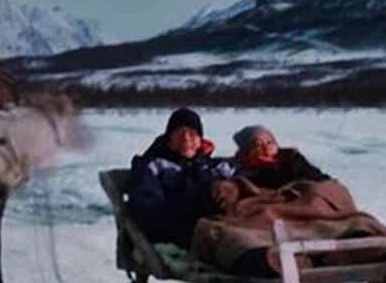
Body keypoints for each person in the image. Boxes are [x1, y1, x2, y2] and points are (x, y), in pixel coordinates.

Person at [125, 107, 234, 250]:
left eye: (192, 133)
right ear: (169, 139)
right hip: (183, 232)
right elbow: (148, 213)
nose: (186, 138)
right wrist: (195, 204)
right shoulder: (153, 166)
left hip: (229, 224)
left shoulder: (217, 166)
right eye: (179, 132)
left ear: (200, 140)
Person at [230, 125, 329, 188]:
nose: (266, 147)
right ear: (248, 149)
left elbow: (318, 177)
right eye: (259, 144)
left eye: (270, 142)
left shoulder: (292, 157)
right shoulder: (244, 166)